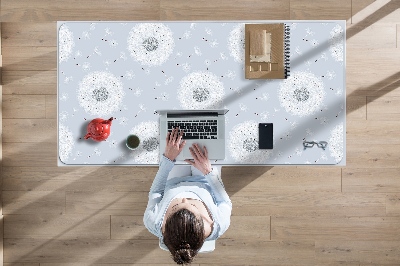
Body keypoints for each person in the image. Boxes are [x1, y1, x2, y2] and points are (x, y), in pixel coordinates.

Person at [144, 127, 232, 264]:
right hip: (205, 180)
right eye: (192, 205)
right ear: (204, 222)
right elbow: (224, 202)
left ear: (165, 224)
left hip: (174, 180)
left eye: (176, 206)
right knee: (208, 138)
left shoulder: (153, 222)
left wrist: (167, 160)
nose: (184, 198)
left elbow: (156, 192)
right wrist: (208, 172)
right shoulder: (220, 224)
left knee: (174, 143)